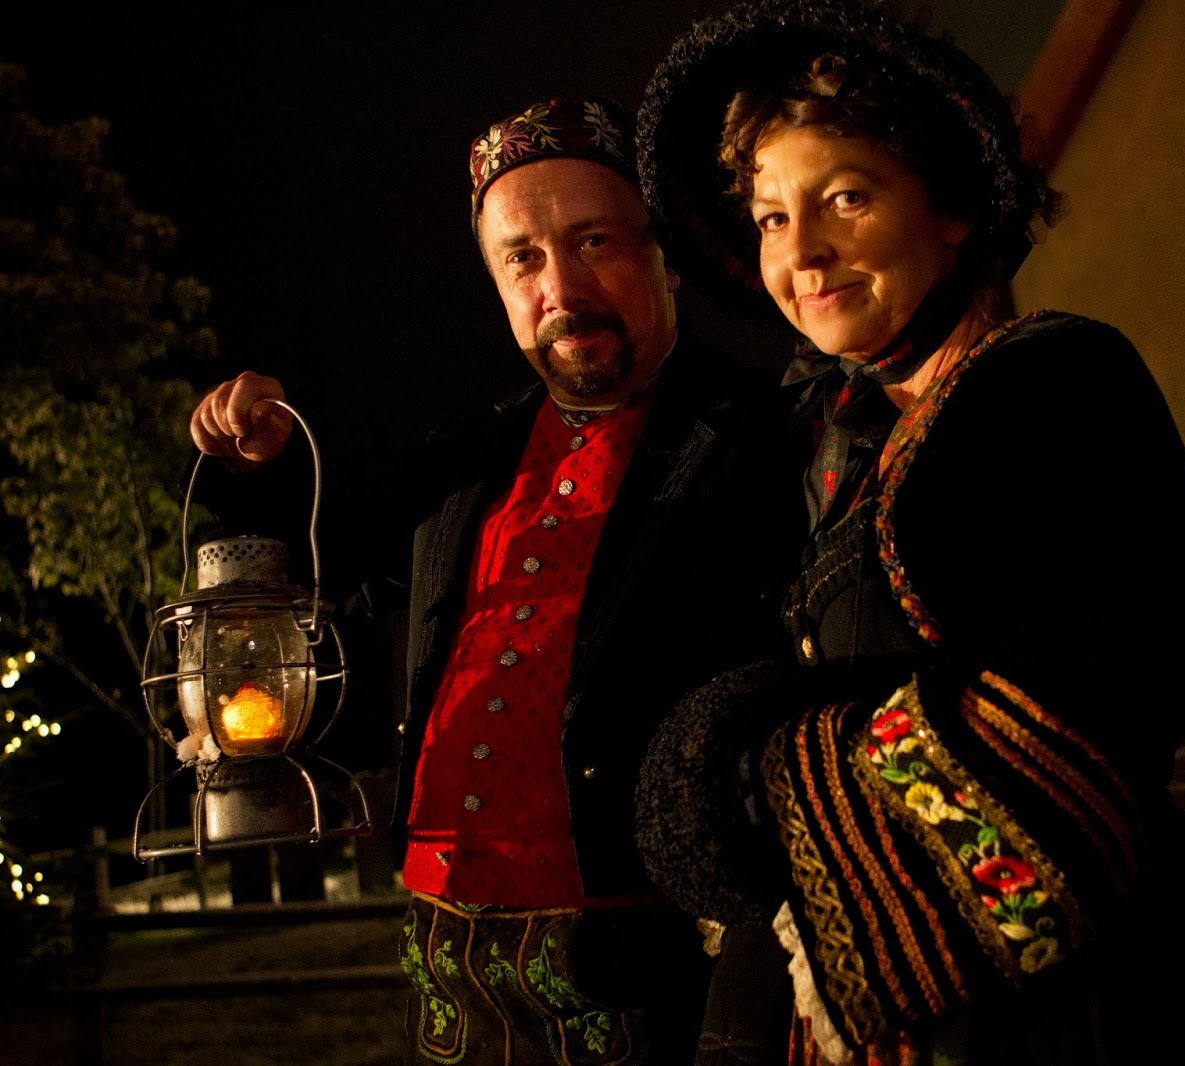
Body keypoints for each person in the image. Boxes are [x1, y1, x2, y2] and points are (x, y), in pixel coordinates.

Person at [631, 2, 1185, 1063]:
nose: (804, 252)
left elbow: (1084, 711)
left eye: (846, 197)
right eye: (772, 217)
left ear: (953, 206)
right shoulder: (834, 446)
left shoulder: (1053, 386)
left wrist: (765, 771)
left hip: (1080, 995)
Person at [190, 96, 804, 1066]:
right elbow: (336, 570)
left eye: (593, 240)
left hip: (651, 952)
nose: (560, 286)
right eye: (522, 257)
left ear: (664, 254)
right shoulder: (468, 450)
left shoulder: (767, 435)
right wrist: (259, 467)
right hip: (444, 948)